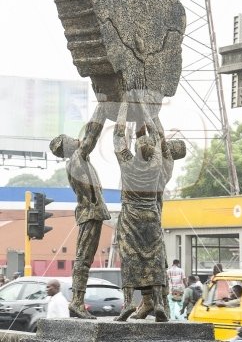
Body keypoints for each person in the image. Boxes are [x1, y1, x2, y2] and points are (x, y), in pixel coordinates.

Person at [50, 103, 111, 319]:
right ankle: (76, 302)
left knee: (84, 258)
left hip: (90, 213)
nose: (76, 140)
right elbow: (91, 135)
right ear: (67, 147)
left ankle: (77, 301)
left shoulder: (78, 161)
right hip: (90, 213)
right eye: (70, 139)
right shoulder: (77, 158)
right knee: (83, 259)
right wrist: (102, 108)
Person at [113, 95, 167, 322]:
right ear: (151, 150)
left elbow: (117, 136)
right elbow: (155, 133)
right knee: (154, 257)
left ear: (136, 149)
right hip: (151, 217)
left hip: (131, 217)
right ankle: (160, 304)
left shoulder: (128, 164)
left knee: (130, 257)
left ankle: (127, 304)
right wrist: (144, 107)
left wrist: (125, 103)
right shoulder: (155, 164)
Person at [131, 119, 186, 320]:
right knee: (156, 263)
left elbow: (157, 138)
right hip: (153, 218)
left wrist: (149, 114)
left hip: (145, 217)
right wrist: (142, 120)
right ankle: (155, 305)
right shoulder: (163, 166)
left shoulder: (162, 163)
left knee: (146, 262)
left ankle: (153, 303)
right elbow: (145, 141)